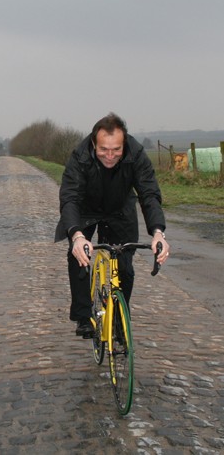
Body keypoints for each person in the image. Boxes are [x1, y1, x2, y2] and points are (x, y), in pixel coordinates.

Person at [55, 113, 170, 338]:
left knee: (125, 264)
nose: (110, 155)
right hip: (86, 209)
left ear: (124, 143)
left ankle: (118, 319)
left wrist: (158, 232)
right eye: (103, 149)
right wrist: (77, 236)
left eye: (116, 149)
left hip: (120, 209)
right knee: (79, 255)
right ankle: (83, 316)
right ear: (93, 143)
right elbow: (69, 197)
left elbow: (149, 194)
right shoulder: (80, 156)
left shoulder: (136, 154)